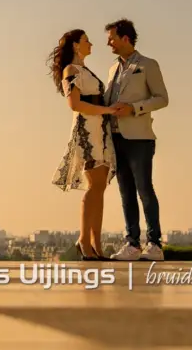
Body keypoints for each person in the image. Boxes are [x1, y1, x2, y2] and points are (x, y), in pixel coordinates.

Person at [103, 18, 169, 261]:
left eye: (111, 38)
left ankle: (154, 244)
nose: (108, 43)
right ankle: (132, 244)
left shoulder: (148, 65)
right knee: (125, 193)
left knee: (145, 190)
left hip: (140, 139)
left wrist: (134, 108)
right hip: (116, 138)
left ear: (125, 38)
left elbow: (162, 98)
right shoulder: (112, 69)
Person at [49, 29, 118, 261]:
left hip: (101, 129)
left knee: (100, 188)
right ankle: (83, 240)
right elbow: (75, 104)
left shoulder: (85, 70)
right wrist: (107, 110)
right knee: (94, 186)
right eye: (87, 41)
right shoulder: (71, 70)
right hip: (87, 130)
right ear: (76, 46)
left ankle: (96, 244)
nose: (91, 45)